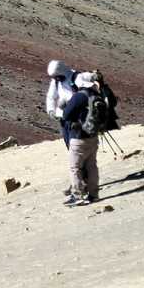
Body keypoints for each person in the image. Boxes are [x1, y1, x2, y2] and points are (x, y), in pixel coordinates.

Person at [61, 72, 104, 206]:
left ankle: (78, 195)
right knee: (92, 166)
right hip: (93, 136)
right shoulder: (97, 95)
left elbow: (66, 115)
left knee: (75, 168)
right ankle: (94, 194)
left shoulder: (79, 96)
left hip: (79, 137)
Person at [45, 60, 78, 144]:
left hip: (76, 117)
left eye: (57, 76)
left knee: (76, 140)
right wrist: (51, 110)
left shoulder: (76, 77)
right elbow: (51, 96)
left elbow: (84, 94)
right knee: (67, 140)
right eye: (55, 77)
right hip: (63, 116)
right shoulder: (56, 81)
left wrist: (68, 102)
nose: (56, 78)